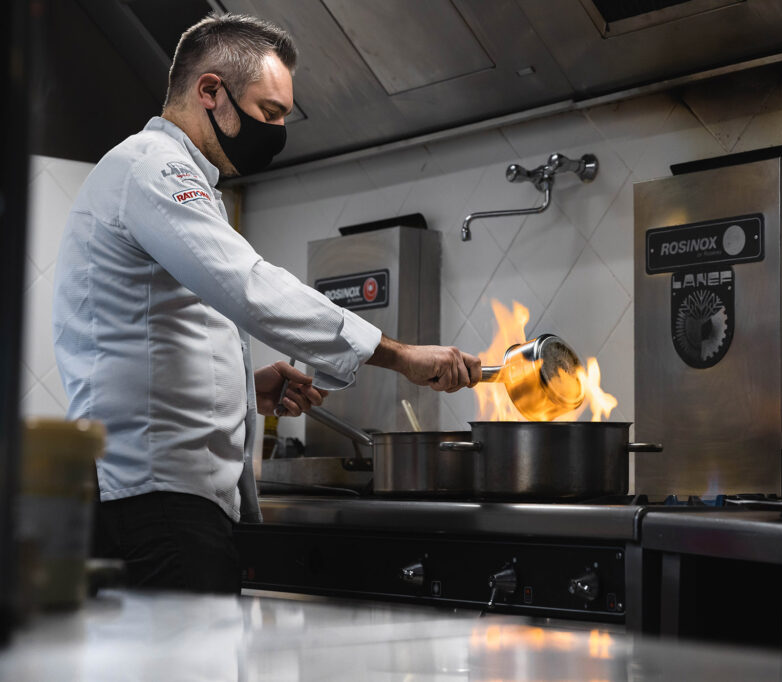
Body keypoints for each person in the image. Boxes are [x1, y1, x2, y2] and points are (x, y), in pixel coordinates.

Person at [52, 13, 481, 594]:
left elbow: (151, 337)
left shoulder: (176, 179)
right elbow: (250, 288)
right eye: (270, 112)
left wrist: (243, 388)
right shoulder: (152, 167)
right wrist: (400, 354)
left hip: (165, 499)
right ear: (210, 91)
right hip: (156, 503)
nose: (277, 131)